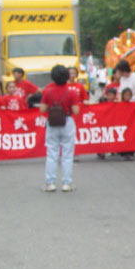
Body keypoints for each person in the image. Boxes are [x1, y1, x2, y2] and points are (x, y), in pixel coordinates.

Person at [39, 64, 81, 192]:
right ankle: (66, 183)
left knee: (52, 153)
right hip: (67, 121)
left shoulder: (48, 91)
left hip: (52, 122)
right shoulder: (71, 92)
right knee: (67, 154)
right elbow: (76, 110)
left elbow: (42, 109)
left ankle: (50, 183)